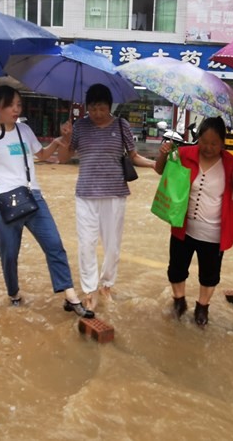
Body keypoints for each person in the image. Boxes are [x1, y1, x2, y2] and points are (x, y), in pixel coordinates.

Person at [0, 85, 93, 318]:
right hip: (2, 201)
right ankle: (14, 294)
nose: (16, 109)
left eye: (19, 105)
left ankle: (70, 295)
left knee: (54, 244)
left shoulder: (24, 130)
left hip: (32, 196)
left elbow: (42, 156)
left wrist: (57, 141)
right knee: (9, 255)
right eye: (11, 105)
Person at [56, 83, 156, 311]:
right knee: (86, 244)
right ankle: (90, 290)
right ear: (87, 107)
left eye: (101, 108)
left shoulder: (122, 125)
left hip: (115, 193)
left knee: (112, 245)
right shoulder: (79, 127)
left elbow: (134, 156)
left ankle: (106, 285)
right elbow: (62, 158)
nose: (97, 113)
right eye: (92, 108)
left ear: (109, 107)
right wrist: (66, 138)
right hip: (86, 194)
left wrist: (153, 164)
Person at [155, 116, 233, 327]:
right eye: (204, 142)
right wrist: (163, 154)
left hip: (214, 232)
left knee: (209, 274)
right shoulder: (184, 154)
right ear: (198, 139)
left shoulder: (231, 162)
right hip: (183, 227)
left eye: (214, 144)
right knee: (176, 269)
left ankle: (202, 306)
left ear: (223, 143)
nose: (208, 147)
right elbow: (160, 170)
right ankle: (179, 301)